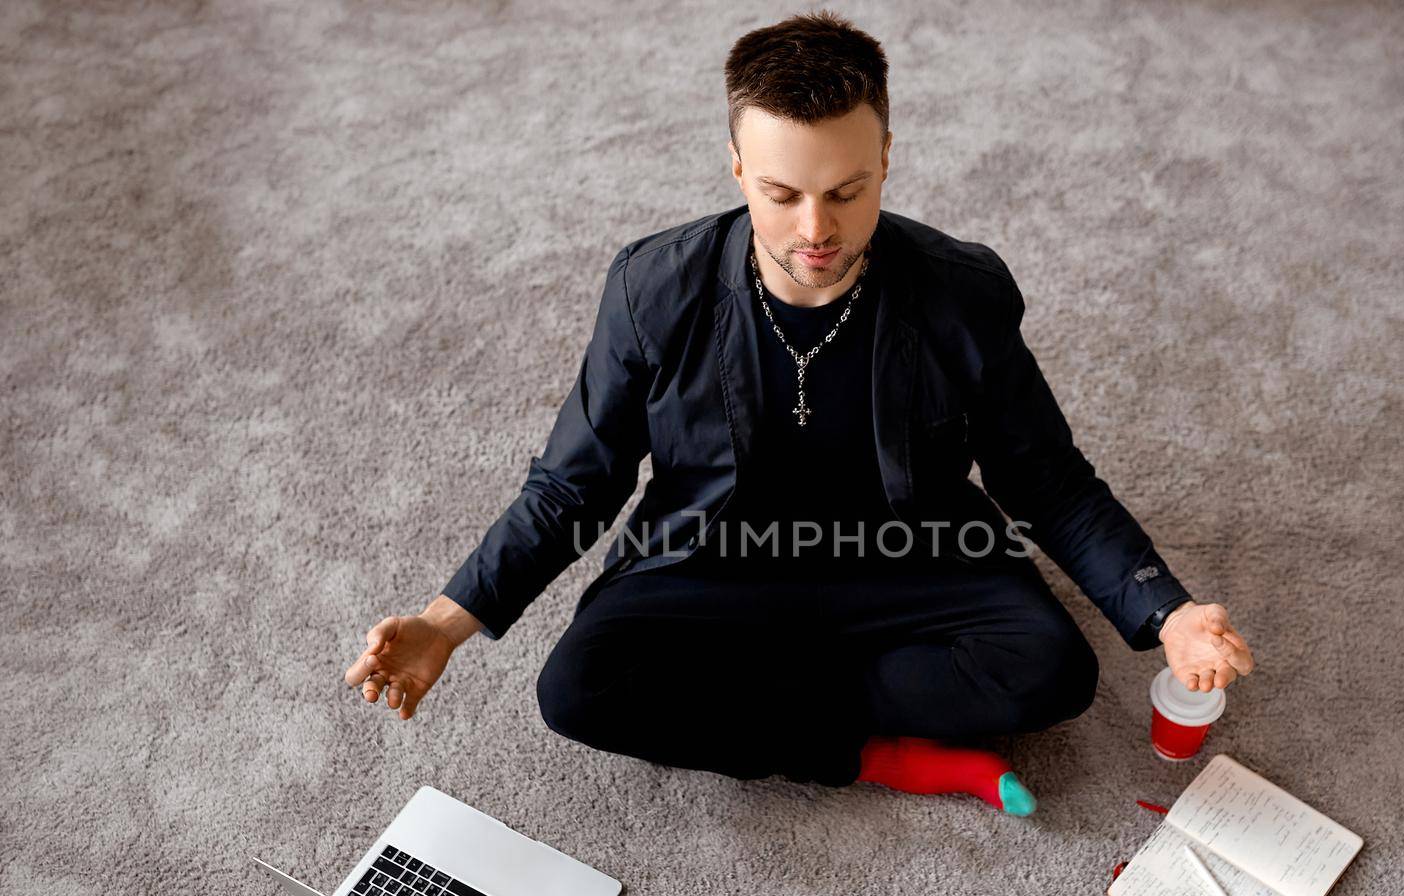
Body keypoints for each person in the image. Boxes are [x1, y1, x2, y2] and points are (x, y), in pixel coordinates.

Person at [342, 10, 1255, 817]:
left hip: (911, 552)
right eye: (781, 194)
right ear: (738, 167)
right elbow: (573, 484)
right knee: (578, 690)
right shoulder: (650, 288)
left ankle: (781, 713)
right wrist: (445, 622)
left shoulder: (962, 291)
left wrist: (1166, 612)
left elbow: (1046, 477)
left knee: (1057, 672)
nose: (815, 228)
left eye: (847, 191)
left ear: (887, 159)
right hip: (714, 554)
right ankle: (874, 753)